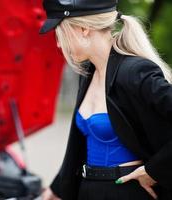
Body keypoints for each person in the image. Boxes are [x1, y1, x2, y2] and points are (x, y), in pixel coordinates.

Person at [39, 0, 172, 200]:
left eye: (60, 32)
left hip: (126, 193)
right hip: (87, 190)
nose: (58, 43)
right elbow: (78, 146)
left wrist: (154, 171)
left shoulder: (135, 72)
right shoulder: (88, 74)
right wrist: (56, 190)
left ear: (83, 29)